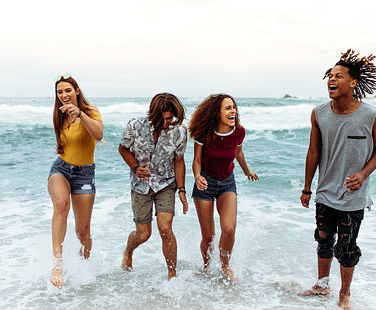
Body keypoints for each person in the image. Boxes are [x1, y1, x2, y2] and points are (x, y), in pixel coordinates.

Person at [301, 49, 376, 310]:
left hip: (353, 195)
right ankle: (322, 285)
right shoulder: (319, 113)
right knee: (323, 237)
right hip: (325, 191)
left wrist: (363, 174)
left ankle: (344, 294)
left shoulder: (370, 114)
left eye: (339, 76)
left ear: (353, 83)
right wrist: (306, 188)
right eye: (330, 76)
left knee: (347, 247)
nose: (331, 80)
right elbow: (314, 152)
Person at [188, 94, 259, 281]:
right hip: (205, 182)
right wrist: (197, 176)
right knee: (209, 236)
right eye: (227, 108)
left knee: (228, 229)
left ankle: (224, 267)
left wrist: (247, 171)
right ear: (216, 113)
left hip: (227, 181)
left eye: (234, 107)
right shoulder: (205, 133)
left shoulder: (238, 132)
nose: (233, 111)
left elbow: (239, 154)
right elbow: (196, 160)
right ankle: (205, 267)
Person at [119, 92, 188, 280]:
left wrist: (181, 190)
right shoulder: (135, 125)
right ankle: (128, 252)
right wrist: (135, 167)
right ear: (154, 114)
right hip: (140, 185)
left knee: (165, 228)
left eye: (171, 118)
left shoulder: (180, 131)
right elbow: (123, 149)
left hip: (166, 183)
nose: (168, 122)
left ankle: (172, 276)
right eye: (165, 118)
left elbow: (179, 161)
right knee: (143, 235)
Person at [48, 74, 103, 289]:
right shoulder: (58, 115)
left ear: (77, 91)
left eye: (67, 90)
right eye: (60, 92)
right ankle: (57, 265)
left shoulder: (91, 111)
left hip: (84, 174)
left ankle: (84, 267)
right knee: (61, 205)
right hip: (61, 168)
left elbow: (98, 134)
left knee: (83, 232)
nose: (64, 95)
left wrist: (80, 114)